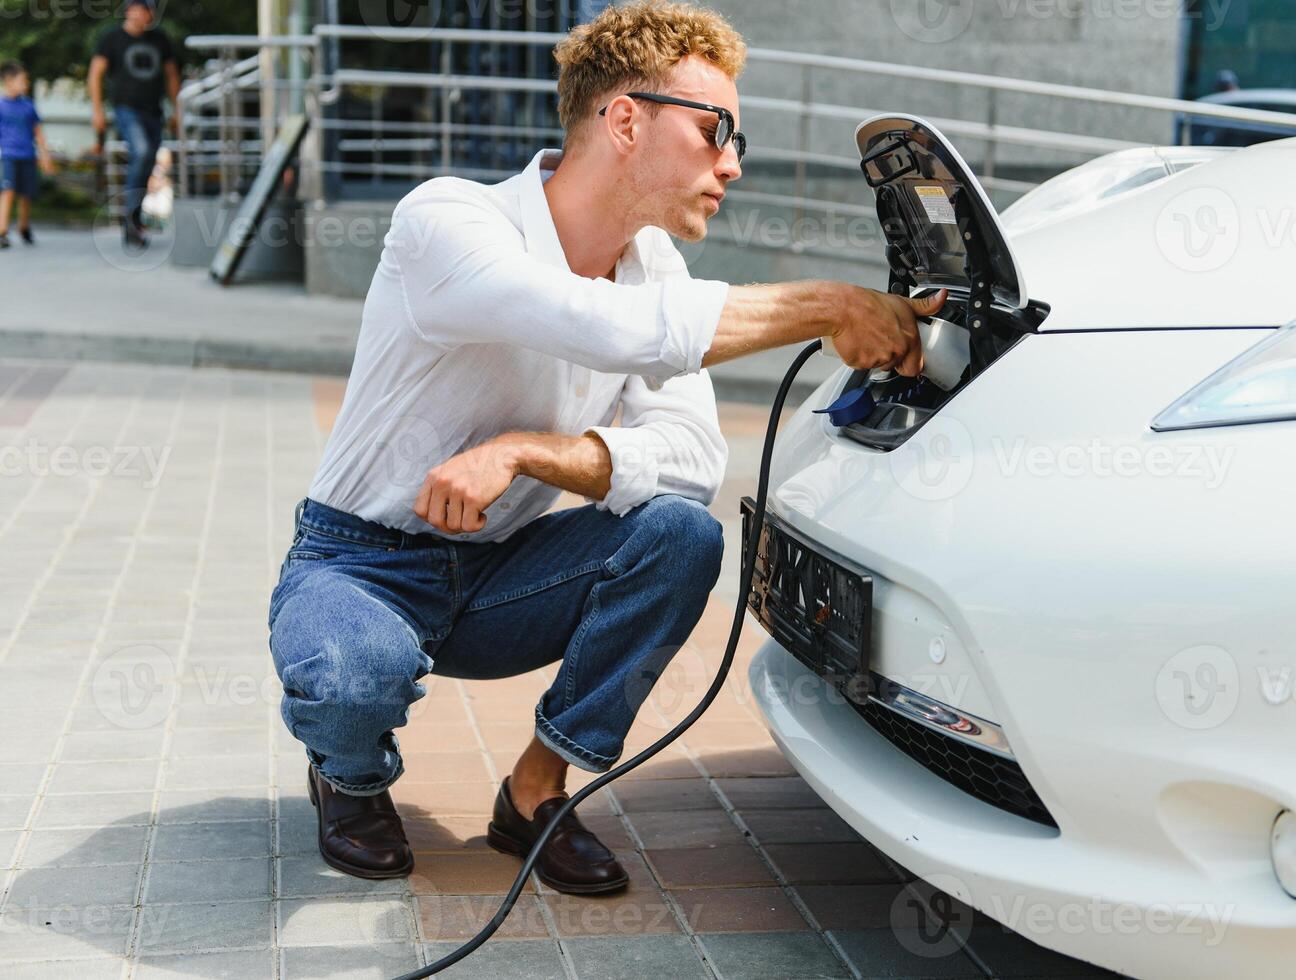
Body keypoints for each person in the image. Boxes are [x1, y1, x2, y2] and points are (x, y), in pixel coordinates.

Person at [268, 0, 940, 890]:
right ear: (624, 118)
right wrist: (826, 306)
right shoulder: (449, 221)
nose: (731, 163)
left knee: (683, 536)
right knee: (353, 675)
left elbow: (695, 459)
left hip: (507, 572)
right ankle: (347, 777)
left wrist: (529, 451)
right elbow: (595, 323)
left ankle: (536, 793)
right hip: (360, 561)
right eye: (715, 130)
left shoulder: (653, 267)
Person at [88, 0, 180, 248]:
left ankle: (135, 217)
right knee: (141, 151)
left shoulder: (159, 39)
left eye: (148, 10)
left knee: (148, 160)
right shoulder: (112, 38)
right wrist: (96, 110)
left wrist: (176, 109)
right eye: (140, 9)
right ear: (130, 11)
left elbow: (171, 74)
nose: (145, 15)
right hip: (126, 109)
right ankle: (129, 218)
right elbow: (95, 73)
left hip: (154, 111)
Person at [0, 61, 55, 249]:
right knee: (8, 191)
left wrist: (45, 156)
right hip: (7, 154)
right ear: (8, 81)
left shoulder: (28, 105)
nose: (26, 83)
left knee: (26, 194)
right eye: (22, 80)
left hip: (27, 154)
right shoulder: (1, 105)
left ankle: (24, 227)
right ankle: (2, 231)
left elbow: (38, 131)